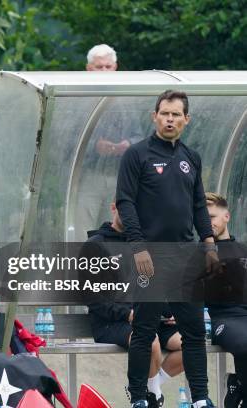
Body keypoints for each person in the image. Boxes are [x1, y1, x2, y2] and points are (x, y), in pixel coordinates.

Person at [116, 90, 219, 408]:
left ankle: (200, 398)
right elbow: (125, 202)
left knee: (193, 331)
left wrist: (209, 243)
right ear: (154, 116)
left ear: (186, 119)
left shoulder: (191, 157)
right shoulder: (137, 155)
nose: (170, 119)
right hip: (149, 256)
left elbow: (199, 203)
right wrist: (139, 247)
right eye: (165, 113)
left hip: (185, 256)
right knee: (144, 331)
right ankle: (138, 398)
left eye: (176, 114)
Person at [86, 202, 184, 407]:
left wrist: (171, 311)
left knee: (192, 342)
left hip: (148, 316)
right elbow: (95, 300)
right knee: (149, 340)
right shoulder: (96, 245)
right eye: (126, 209)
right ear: (114, 208)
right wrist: (129, 314)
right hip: (112, 321)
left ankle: (152, 388)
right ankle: (150, 397)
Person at [76, 43, 144, 238]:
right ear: (89, 69)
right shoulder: (77, 97)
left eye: (108, 66)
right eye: (99, 67)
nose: (104, 71)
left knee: (116, 225)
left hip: (119, 176)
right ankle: (82, 266)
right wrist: (95, 146)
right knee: (83, 224)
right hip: (88, 175)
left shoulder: (127, 98)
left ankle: (112, 266)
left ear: (115, 68)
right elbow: (68, 140)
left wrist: (127, 145)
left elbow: (139, 135)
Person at [204, 192, 247, 408]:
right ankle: (238, 386)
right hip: (224, 319)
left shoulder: (242, 251)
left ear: (227, 217)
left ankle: (239, 387)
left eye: (212, 217)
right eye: (203, 218)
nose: (207, 222)